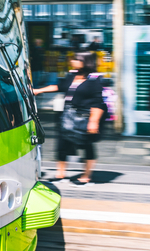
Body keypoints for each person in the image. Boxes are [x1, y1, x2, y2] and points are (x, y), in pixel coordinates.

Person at [35, 53, 105, 184]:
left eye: (77, 59)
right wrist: (39, 90)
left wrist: (94, 121)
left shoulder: (93, 80)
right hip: (67, 115)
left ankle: (86, 174)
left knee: (86, 145)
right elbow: (59, 86)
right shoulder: (72, 75)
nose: (73, 61)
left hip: (84, 117)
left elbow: (98, 103)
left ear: (86, 62)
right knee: (62, 144)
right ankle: (60, 173)